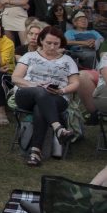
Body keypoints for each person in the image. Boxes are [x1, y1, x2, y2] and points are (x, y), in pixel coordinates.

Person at [10, 26, 81, 167]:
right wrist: (35, 84)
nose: (52, 46)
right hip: (27, 94)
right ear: (41, 40)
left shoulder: (67, 60)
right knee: (41, 92)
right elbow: (16, 78)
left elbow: (75, 83)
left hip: (57, 97)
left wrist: (62, 90)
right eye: (49, 43)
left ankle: (35, 152)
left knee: (40, 106)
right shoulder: (29, 56)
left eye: (56, 43)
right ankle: (59, 129)